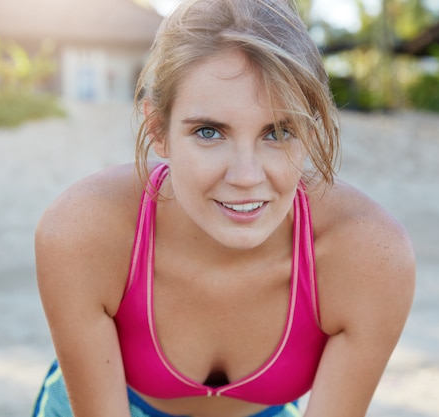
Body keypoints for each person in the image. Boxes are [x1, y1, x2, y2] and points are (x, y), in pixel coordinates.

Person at [31, 0, 416, 416]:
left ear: (309, 132)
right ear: (157, 129)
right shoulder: (83, 230)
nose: (246, 176)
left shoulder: (369, 254)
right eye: (209, 132)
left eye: (279, 132)